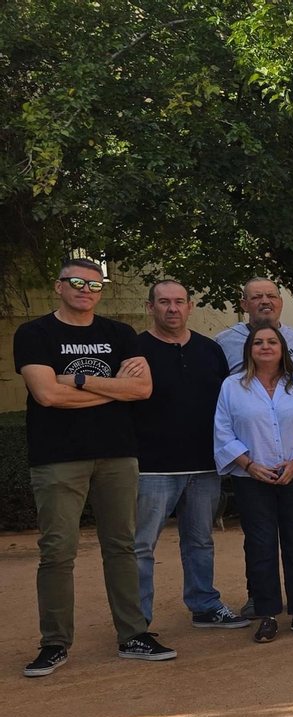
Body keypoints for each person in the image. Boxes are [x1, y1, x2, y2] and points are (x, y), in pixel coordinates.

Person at [15, 259, 173, 677]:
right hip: (57, 459)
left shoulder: (118, 334)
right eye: (77, 282)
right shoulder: (34, 334)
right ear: (59, 286)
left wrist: (79, 381)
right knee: (57, 551)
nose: (86, 289)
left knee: (121, 546)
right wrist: (113, 391)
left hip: (117, 455)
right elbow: (47, 395)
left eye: (95, 284)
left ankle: (133, 634)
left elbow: (142, 388)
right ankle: (54, 643)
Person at [215, 277, 293, 615]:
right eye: (256, 297)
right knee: (260, 542)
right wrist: (248, 464)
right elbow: (222, 424)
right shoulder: (223, 348)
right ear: (245, 304)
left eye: (271, 296)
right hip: (251, 469)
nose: (265, 301)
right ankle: (263, 602)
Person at [132, 279, 244, 629]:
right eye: (164, 302)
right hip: (152, 468)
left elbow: (226, 407)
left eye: (179, 301)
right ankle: (136, 620)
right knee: (141, 546)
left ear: (190, 306)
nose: (172, 308)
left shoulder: (210, 351)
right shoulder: (134, 350)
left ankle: (204, 605)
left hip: (204, 465)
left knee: (200, 541)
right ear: (151, 307)